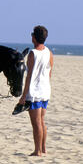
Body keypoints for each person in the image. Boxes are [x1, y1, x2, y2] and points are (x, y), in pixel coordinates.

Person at [18, 26, 54, 157]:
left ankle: (37, 151)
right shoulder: (49, 52)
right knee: (42, 120)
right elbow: (49, 72)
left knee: (36, 122)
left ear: (34, 37)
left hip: (35, 92)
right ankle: (43, 148)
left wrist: (23, 95)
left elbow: (29, 76)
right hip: (45, 90)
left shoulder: (33, 53)